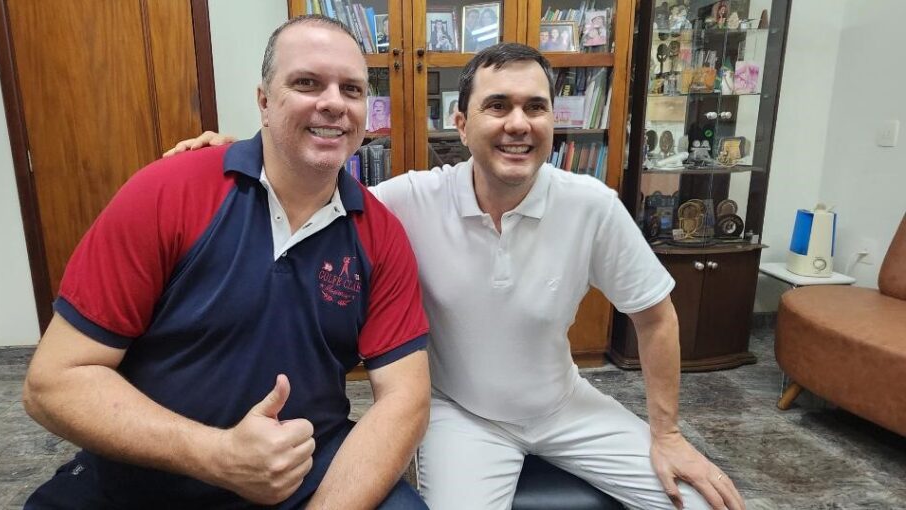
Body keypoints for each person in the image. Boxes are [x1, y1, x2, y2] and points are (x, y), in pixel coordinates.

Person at [166, 43, 745, 510]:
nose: (518, 124)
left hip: (564, 406)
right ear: (462, 124)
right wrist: (232, 155)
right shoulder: (409, 200)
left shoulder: (592, 205)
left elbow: (655, 317)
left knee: (701, 500)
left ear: (553, 122)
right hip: (461, 415)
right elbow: (314, 189)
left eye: (535, 107)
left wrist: (667, 435)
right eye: (498, 106)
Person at [23, 15, 431, 510]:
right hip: (147, 476)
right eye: (306, 83)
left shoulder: (381, 235)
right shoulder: (167, 192)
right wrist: (217, 455)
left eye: (352, 90)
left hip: (303, 472)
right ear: (264, 101)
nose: (333, 103)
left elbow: (405, 399)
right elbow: (53, 383)